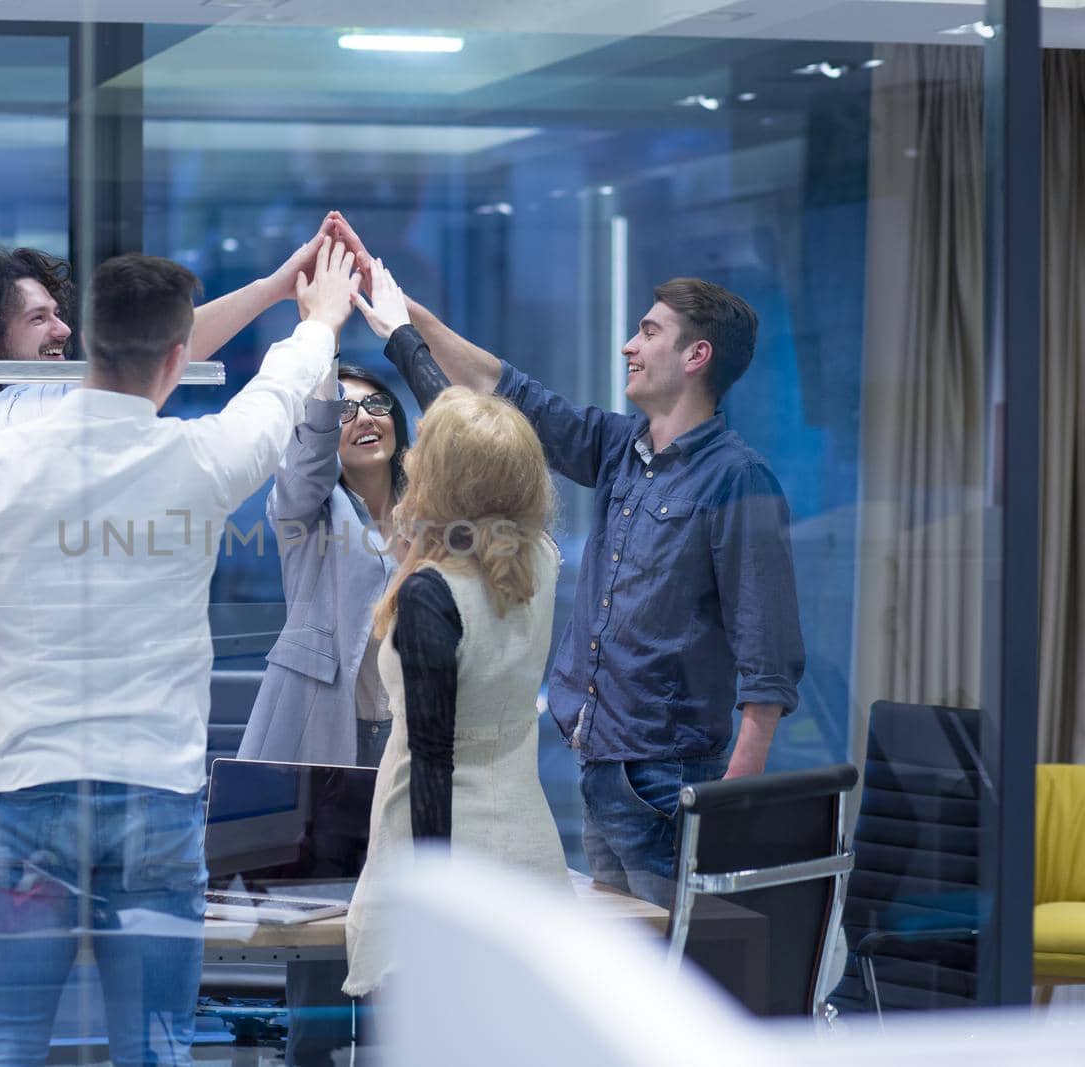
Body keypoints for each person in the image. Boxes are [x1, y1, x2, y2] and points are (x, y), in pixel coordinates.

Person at [0, 240, 363, 1065]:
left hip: (28, 798)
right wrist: (318, 319)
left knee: (3, 1049)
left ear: (86, 345)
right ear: (178, 359)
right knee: (156, 1052)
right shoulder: (199, 460)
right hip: (155, 803)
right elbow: (280, 390)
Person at [342, 217, 805, 908]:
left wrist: (729, 805)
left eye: (649, 332)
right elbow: (513, 393)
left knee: (667, 981)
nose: (629, 344)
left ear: (697, 355)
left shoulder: (737, 479)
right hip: (601, 770)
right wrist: (407, 318)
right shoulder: (620, 448)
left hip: (671, 778)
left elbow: (767, 655)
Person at [341, 386, 570, 1002]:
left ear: (441, 480)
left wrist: (434, 909)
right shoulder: (542, 560)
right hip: (530, 859)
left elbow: (431, 763)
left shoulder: (430, 595)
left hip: (439, 869)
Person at [235, 361, 411, 1065]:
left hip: (406, 740)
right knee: (318, 934)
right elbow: (306, 459)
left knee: (403, 934)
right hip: (325, 740)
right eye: (345, 410)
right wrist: (322, 355)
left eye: (376, 406)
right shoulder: (304, 505)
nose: (363, 419)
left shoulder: (437, 507)